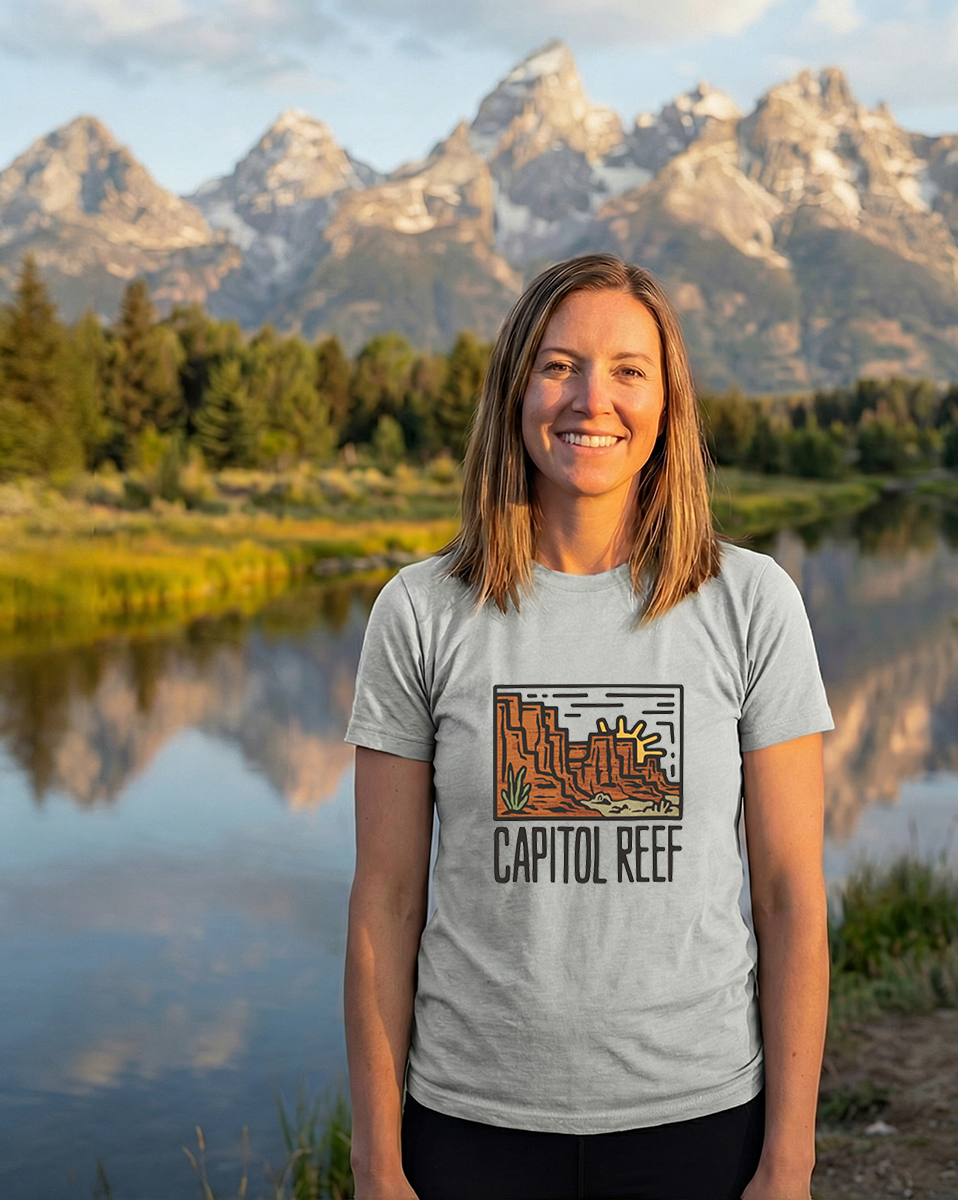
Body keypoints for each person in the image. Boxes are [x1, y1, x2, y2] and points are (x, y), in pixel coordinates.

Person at [343, 254, 832, 1200]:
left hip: (699, 1122)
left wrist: (790, 1160)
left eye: (628, 370)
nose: (591, 399)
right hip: (469, 1127)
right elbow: (385, 905)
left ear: (668, 403)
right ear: (515, 389)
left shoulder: (752, 603)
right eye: (559, 365)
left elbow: (788, 899)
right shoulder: (419, 612)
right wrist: (376, 1164)